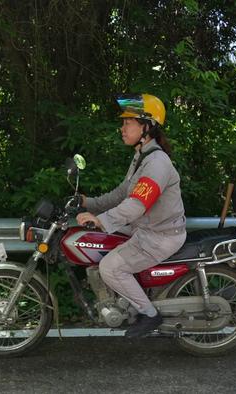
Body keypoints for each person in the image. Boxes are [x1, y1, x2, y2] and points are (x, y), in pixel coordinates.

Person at [76, 93, 187, 338]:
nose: (122, 128)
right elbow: (123, 193)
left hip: (160, 235)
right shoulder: (142, 156)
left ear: (146, 127)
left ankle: (150, 315)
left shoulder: (157, 163)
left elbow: (137, 204)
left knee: (110, 267)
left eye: (128, 122)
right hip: (146, 228)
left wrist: (101, 220)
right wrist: (90, 203)